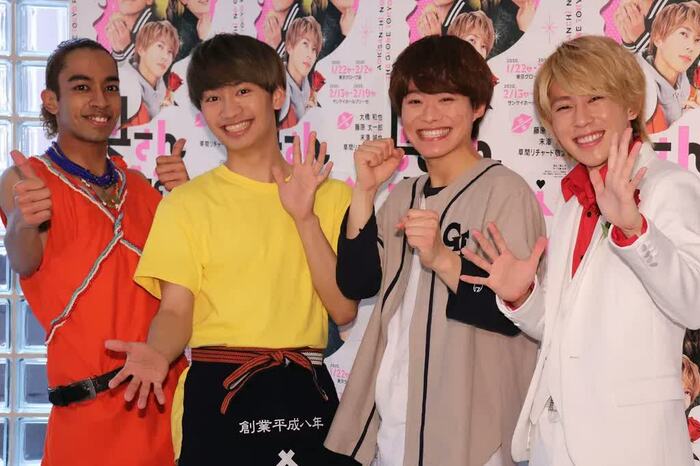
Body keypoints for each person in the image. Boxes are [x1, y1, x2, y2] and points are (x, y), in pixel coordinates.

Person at [104, 33, 356, 465]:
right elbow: (175, 310)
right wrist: (158, 352)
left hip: (303, 389)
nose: (229, 110)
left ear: (277, 96)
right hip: (218, 390)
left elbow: (344, 309)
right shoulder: (186, 204)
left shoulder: (331, 197)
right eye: (213, 97)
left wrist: (305, 218)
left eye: (242, 91)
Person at [460, 35, 700, 466]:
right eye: (564, 106)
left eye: (596, 98)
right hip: (554, 445)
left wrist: (635, 230)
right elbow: (566, 333)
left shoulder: (670, 187)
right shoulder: (571, 204)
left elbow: (695, 305)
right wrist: (522, 297)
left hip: (633, 447)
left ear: (631, 105)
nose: (581, 119)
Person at [324, 34, 545, 466]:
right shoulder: (403, 194)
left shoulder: (505, 191)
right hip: (395, 416)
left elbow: (512, 318)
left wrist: (443, 258)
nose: (429, 116)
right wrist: (365, 192)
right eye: (415, 101)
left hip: (471, 426)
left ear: (477, 107)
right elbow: (357, 283)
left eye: (446, 99)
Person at [0, 38, 189, 466]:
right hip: (86, 420)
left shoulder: (140, 188)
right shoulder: (26, 180)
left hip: (166, 407)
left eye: (110, 87)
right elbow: (24, 260)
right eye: (82, 87)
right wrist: (23, 222)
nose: (100, 100)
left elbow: (185, 290)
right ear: (52, 100)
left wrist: (189, 202)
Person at [636, 1, 700, 133]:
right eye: (683, 34)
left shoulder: (691, 94)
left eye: (697, 40)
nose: (691, 47)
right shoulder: (637, 91)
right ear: (658, 38)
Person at [119, 20, 182, 126]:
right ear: (141, 49)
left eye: (170, 51)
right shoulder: (123, 88)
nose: (165, 57)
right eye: (160, 46)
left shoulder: (167, 94)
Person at [280, 16, 323, 128]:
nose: (310, 55)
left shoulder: (312, 93)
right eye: (305, 44)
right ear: (289, 47)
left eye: (314, 49)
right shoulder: (276, 87)